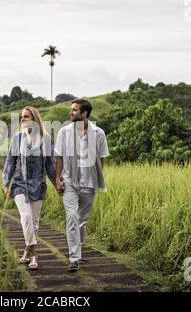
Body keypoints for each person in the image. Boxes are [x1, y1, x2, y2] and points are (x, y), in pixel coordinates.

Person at [54, 99, 110, 272]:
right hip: (69, 181)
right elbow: (60, 157)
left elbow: (101, 159)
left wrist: (98, 180)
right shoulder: (64, 132)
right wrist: (57, 179)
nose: (70, 113)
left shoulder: (98, 133)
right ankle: (74, 258)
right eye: (71, 110)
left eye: (74, 110)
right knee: (71, 217)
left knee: (81, 222)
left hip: (89, 182)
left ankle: (78, 250)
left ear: (84, 114)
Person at [2, 106, 56, 270]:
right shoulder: (17, 138)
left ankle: (27, 250)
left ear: (35, 118)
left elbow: (50, 165)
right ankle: (34, 255)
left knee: (34, 222)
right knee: (26, 217)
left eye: (26, 116)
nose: (23, 119)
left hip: (38, 185)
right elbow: (10, 162)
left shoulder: (45, 139)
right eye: (21, 117)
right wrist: (6, 183)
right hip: (19, 184)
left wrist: (58, 183)